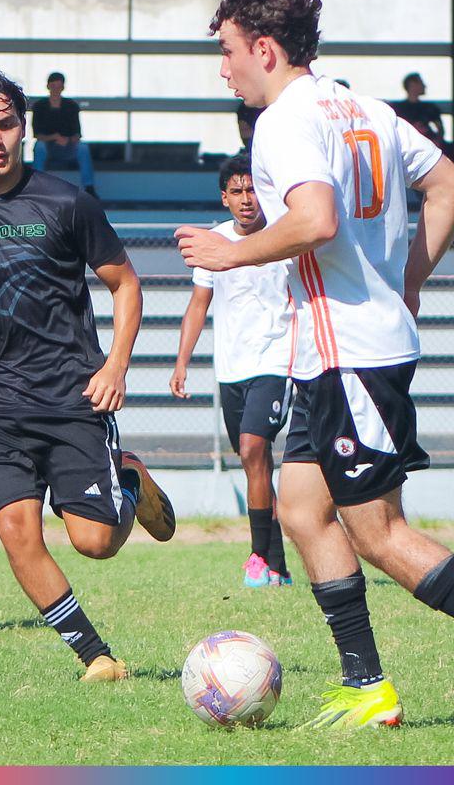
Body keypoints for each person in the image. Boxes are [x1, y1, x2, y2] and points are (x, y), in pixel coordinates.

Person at [175, 0, 454, 731]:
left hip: (350, 354)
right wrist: (408, 277)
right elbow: (451, 184)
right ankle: (367, 686)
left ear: (264, 48)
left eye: (227, 51)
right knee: (300, 509)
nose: (223, 67)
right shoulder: (365, 106)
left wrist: (231, 255)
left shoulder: (286, 121)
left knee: (379, 531)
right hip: (334, 352)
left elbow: (317, 219)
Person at [0, 67, 175, 681]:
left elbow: (126, 284)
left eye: (5, 125)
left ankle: (127, 479)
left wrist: (116, 365)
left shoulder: (67, 202)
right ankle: (95, 657)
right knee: (17, 531)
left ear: (23, 128)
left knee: (95, 543)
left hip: (74, 394)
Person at [170, 151, 294, 587]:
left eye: (253, 190)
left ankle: (258, 558)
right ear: (225, 197)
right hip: (231, 369)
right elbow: (198, 305)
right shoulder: (214, 241)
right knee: (254, 464)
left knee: (252, 448)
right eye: (237, 191)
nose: (246, 199)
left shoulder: (285, 237)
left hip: (276, 361)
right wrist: (182, 361)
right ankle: (277, 565)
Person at [31, 71, 96, 195]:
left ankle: (89, 186)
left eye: (59, 86)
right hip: (48, 146)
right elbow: (37, 135)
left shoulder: (71, 106)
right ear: (48, 86)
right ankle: (36, 186)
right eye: (53, 86)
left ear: (63, 88)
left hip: (68, 146)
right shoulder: (39, 106)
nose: (56, 89)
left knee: (83, 148)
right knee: (39, 147)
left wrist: (69, 140)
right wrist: (54, 137)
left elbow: (77, 133)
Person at [389, 74, 454, 171]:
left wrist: (436, 142)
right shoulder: (397, 108)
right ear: (412, 85)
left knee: (450, 149)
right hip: (407, 144)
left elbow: (440, 130)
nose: (425, 86)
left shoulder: (429, 108)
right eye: (421, 83)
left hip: (429, 143)